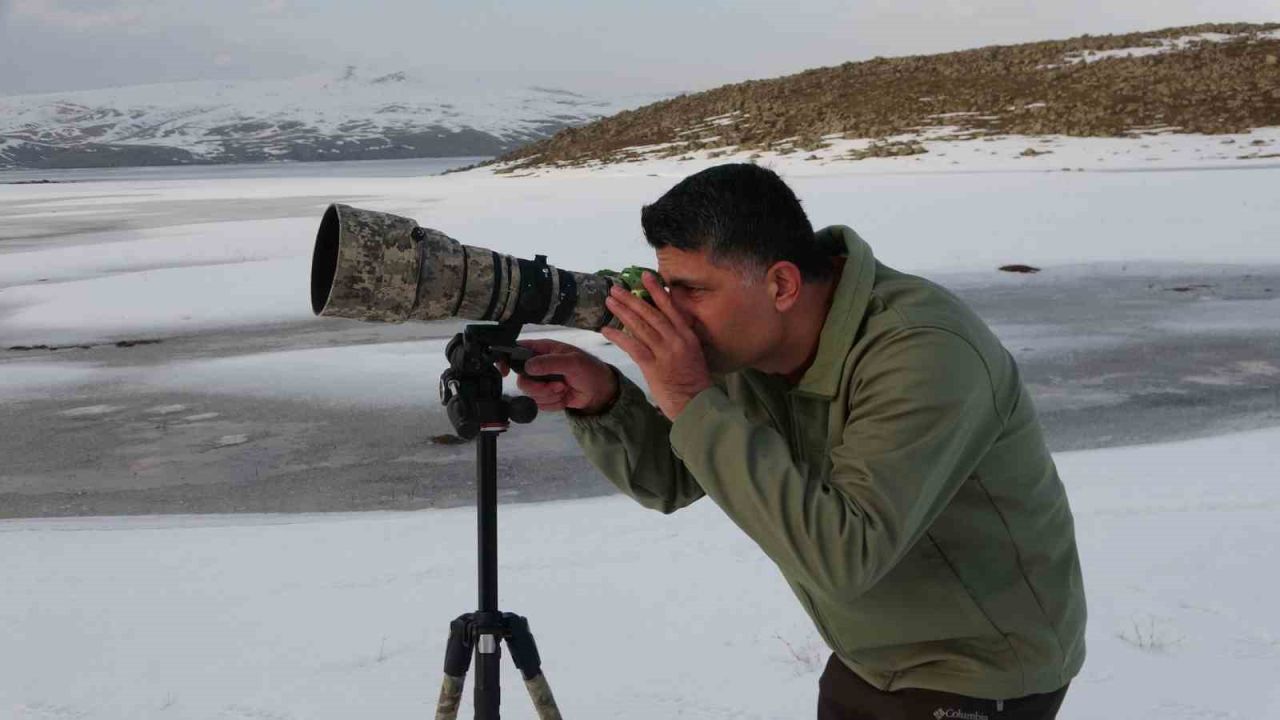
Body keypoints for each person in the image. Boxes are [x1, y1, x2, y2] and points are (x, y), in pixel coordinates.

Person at [510, 163, 1086, 719]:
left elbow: (844, 555)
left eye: (691, 290)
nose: (674, 313)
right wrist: (607, 399)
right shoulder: (753, 339)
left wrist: (687, 396)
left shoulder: (924, 352)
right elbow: (677, 477)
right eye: (666, 287)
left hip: (980, 667)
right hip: (870, 654)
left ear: (781, 283)